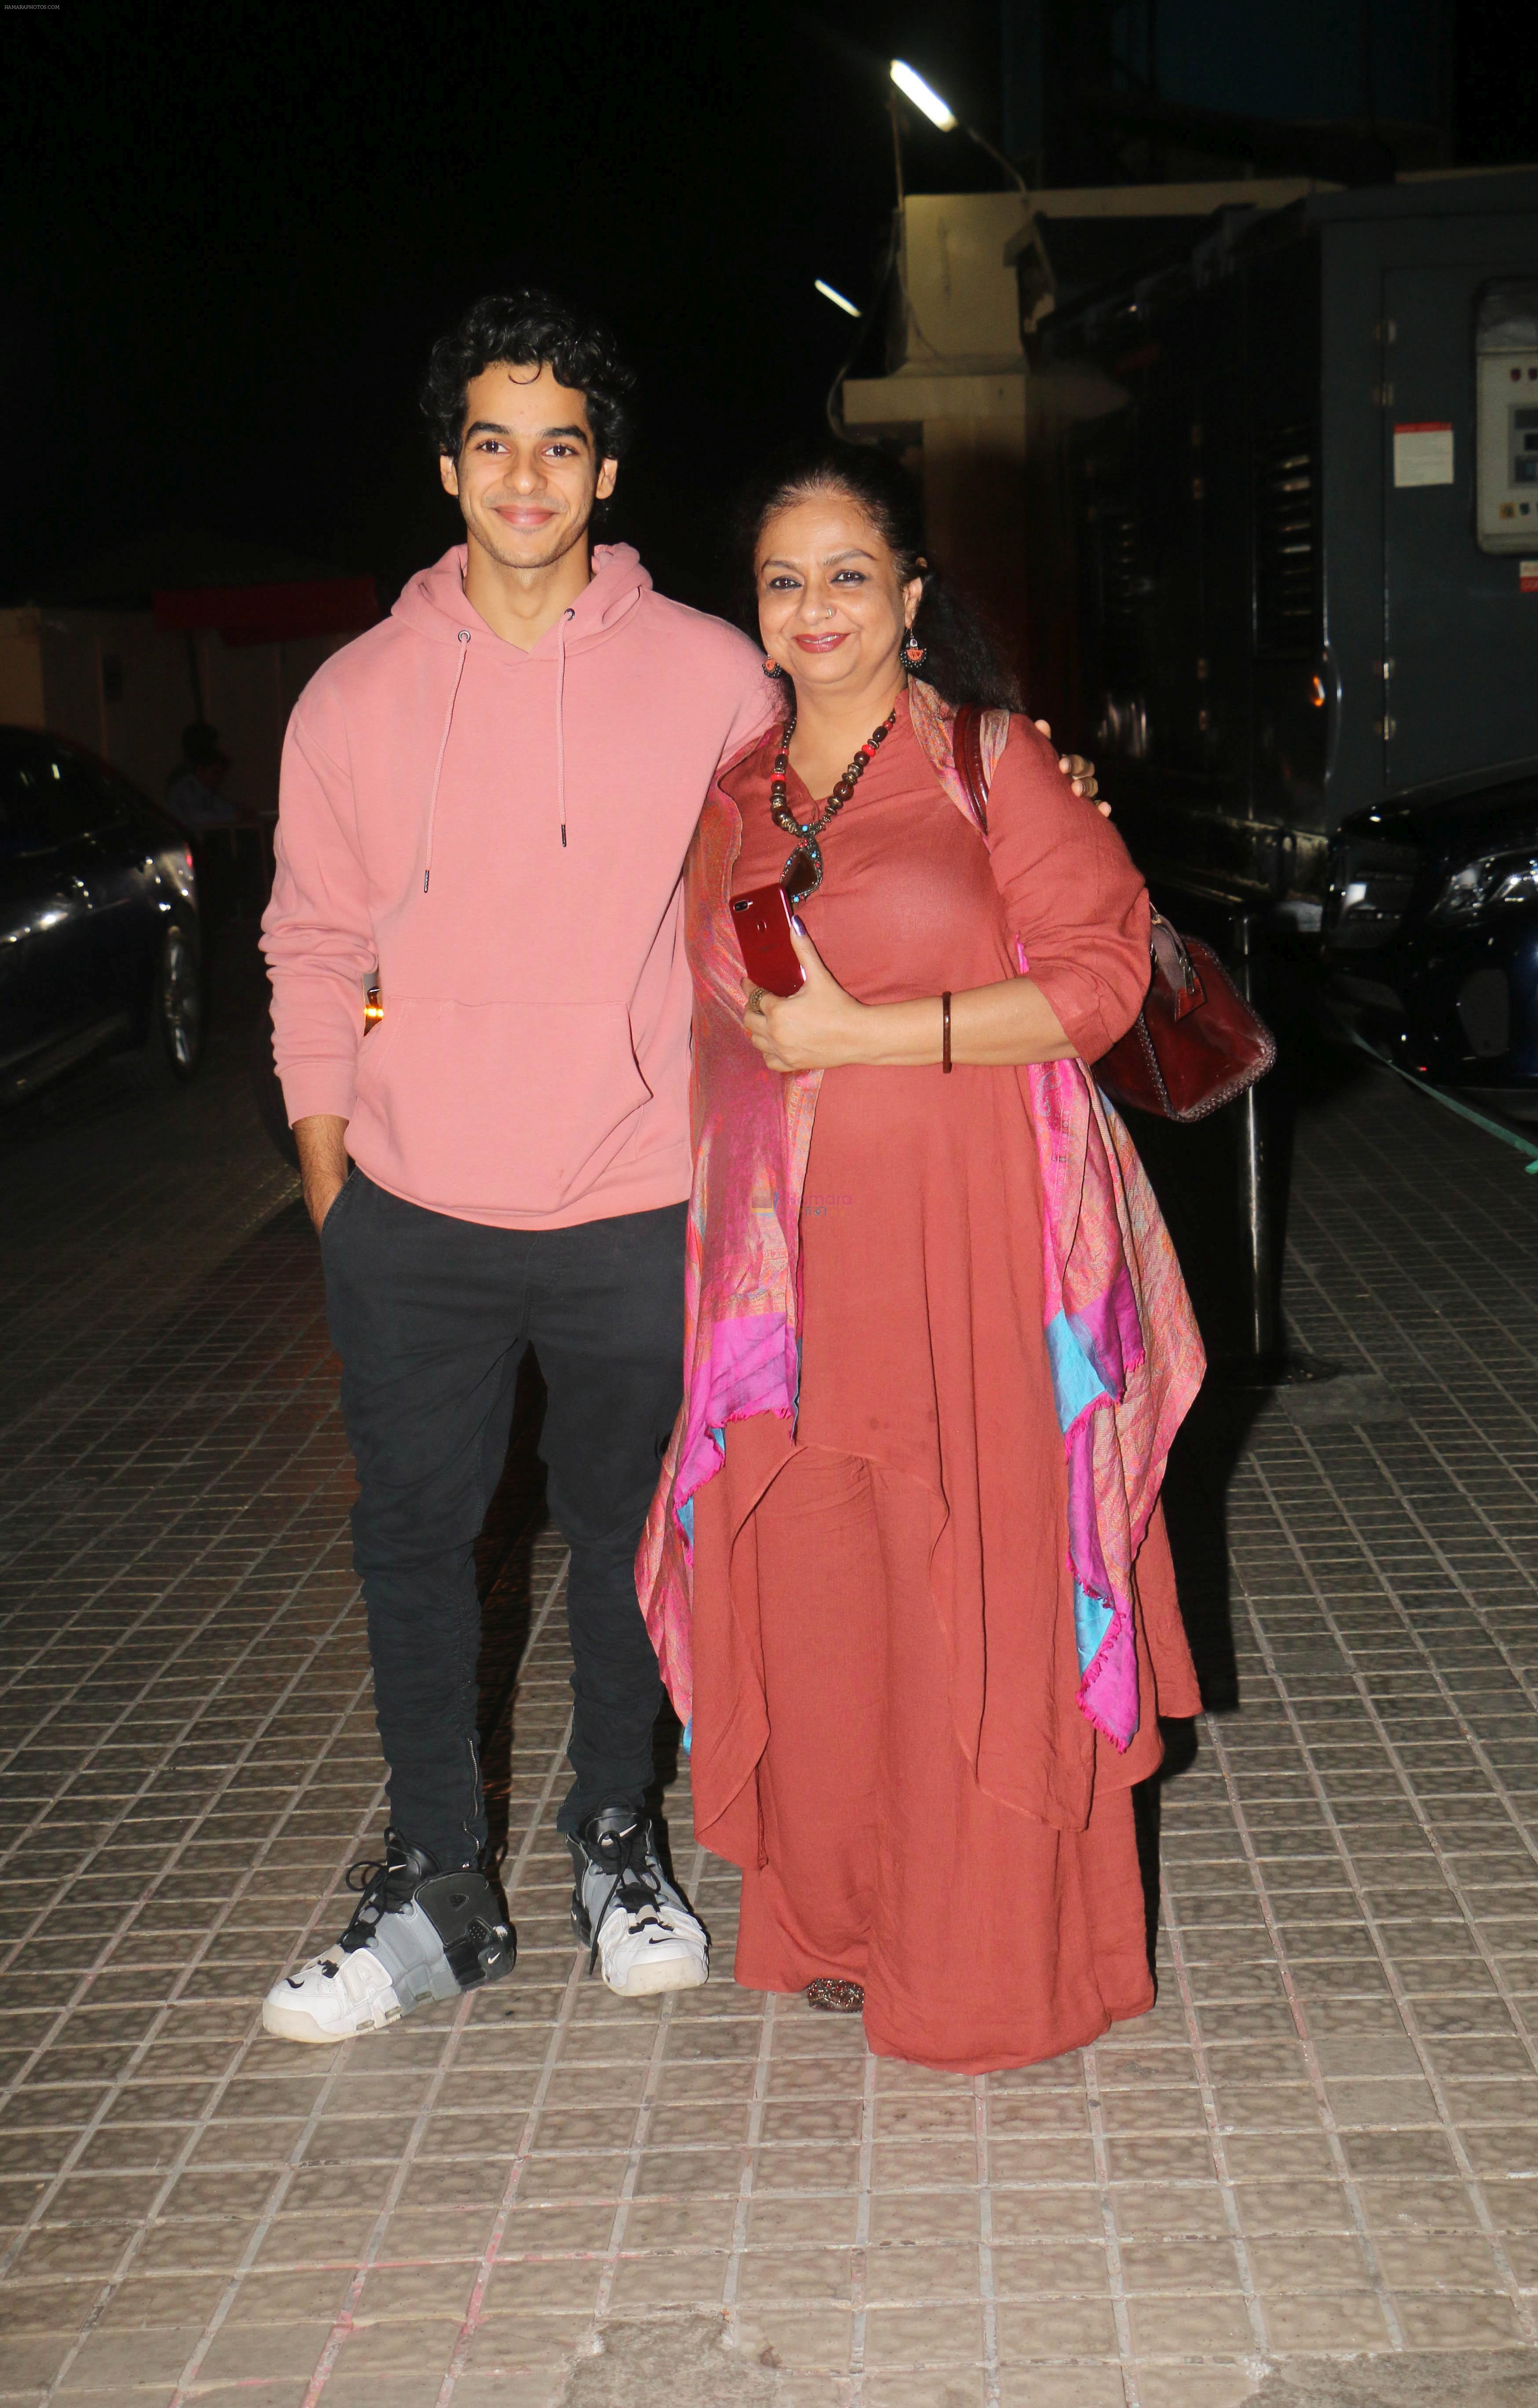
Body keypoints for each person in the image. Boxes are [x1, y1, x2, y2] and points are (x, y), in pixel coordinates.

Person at [258, 288, 1105, 2045]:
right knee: (415, 1541)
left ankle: (614, 1841)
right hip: (412, 1207)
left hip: (647, 1201)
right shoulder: (349, 697)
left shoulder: (713, 670)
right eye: (491, 441)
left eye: (559, 444)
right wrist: (337, 1180)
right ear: (447, 465)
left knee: (639, 1535)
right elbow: (307, 945)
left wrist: (1033, 773)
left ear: (605, 470)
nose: (523, 475)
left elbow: (854, 771)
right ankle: (433, 1887)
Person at [636, 446, 1205, 2072]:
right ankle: (843, 1919)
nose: (814, 608)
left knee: (979, 1590)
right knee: (821, 1601)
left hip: (974, 1258)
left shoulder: (990, 761)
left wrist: (868, 1035)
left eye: (847, 575)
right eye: (782, 580)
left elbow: (1099, 982)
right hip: (791, 1285)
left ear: (910, 597)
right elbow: (713, 1028)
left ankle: (983, 1964)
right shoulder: (734, 797)